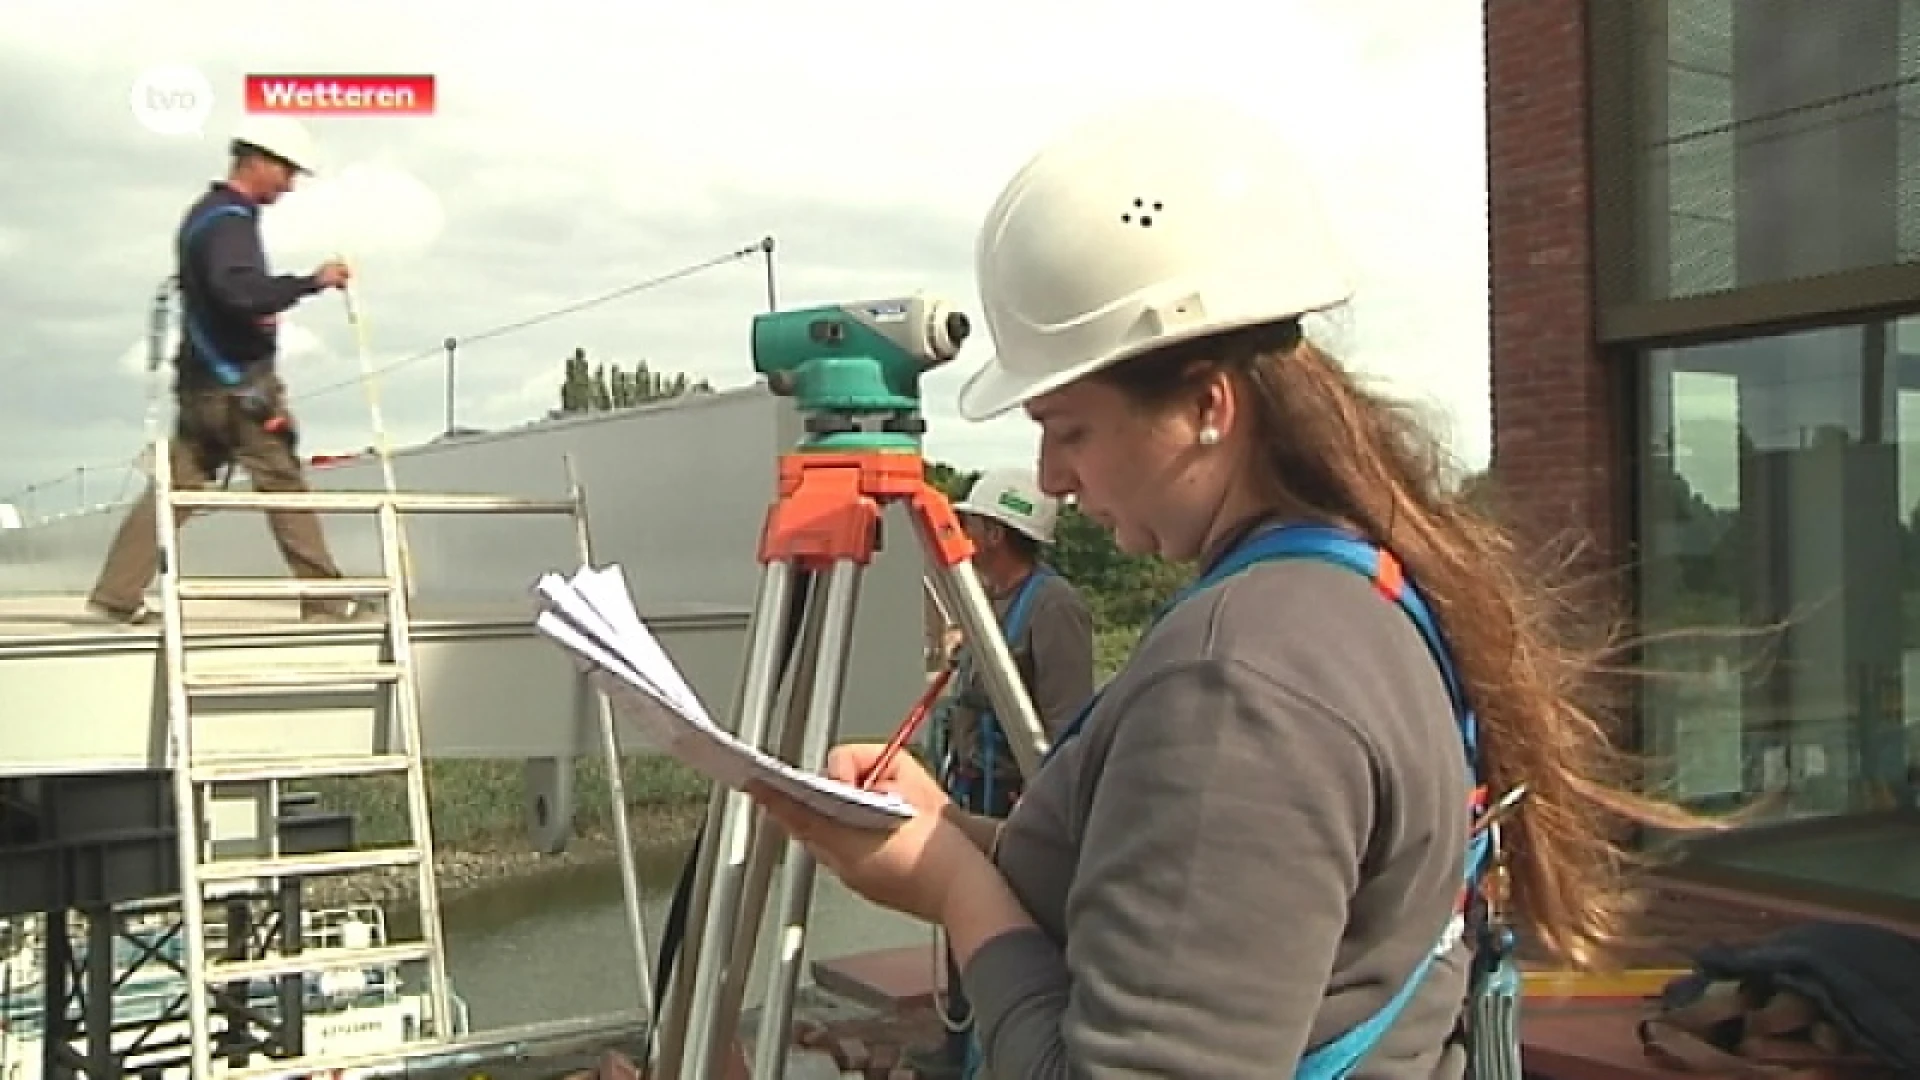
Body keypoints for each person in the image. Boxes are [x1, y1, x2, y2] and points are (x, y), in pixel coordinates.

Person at [751, 102, 1702, 1078]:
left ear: (1209, 405)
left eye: (1069, 428)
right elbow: (1172, 881)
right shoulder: (1353, 596)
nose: (1051, 478)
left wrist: (954, 889)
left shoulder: (1240, 680)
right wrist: (951, 835)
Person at [88, 115, 360, 625]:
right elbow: (238, 290)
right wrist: (311, 282)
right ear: (257, 160)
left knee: (179, 487)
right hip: (240, 389)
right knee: (281, 482)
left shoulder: (203, 218)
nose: (289, 184)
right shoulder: (230, 221)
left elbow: (220, 293)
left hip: (201, 387)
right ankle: (325, 599)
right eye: (286, 171)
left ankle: (115, 594)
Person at [916, 466, 1094, 1077]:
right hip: (972, 797)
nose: (962, 530)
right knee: (964, 944)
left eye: (972, 521)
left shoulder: (1052, 606)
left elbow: (1068, 725)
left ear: (995, 531)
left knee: (1007, 944)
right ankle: (959, 1054)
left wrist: (1042, 814)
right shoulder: (985, 603)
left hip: (1018, 808)